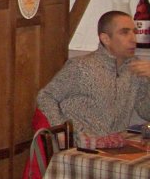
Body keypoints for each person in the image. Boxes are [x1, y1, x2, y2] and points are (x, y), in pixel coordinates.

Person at [36, 10, 150, 145]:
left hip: (115, 145)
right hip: (80, 147)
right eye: (125, 32)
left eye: (134, 32)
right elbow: (46, 96)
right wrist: (62, 132)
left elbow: (146, 112)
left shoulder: (135, 68)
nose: (133, 39)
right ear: (105, 39)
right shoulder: (81, 67)